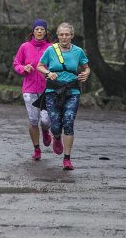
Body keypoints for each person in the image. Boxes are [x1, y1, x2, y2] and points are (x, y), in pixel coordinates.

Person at [36, 22, 90, 171]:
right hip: (53, 91)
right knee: (55, 124)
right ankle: (56, 137)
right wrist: (48, 73)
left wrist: (86, 73)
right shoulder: (50, 50)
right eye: (61, 34)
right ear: (58, 36)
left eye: (67, 34)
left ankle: (67, 159)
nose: (64, 37)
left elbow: (86, 67)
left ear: (72, 36)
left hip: (72, 91)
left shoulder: (78, 51)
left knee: (68, 120)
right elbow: (39, 66)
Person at [13, 19, 53, 161]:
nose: (40, 31)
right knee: (33, 120)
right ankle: (37, 149)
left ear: (46, 32)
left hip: (46, 89)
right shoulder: (25, 46)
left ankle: (46, 131)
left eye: (42, 29)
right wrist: (24, 68)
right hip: (29, 89)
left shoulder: (52, 48)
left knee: (46, 120)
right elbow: (16, 63)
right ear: (33, 31)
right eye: (37, 29)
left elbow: (57, 65)